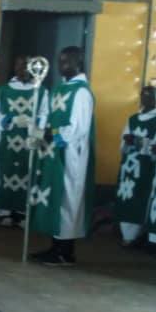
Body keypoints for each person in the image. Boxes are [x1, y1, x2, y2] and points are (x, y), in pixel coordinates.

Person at [28, 47, 95, 266]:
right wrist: (39, 130)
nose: (61, 66)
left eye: (66, 62)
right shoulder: (58, 89)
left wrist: (53, 135)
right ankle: (55, 246)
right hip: (52, 151)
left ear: (79, 63)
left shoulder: (82, 92)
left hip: (70, 155)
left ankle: (65, 252)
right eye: (60, 61)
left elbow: (78, 127)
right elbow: (47, 115)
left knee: (67, 199)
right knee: (55, 198)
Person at [0, 56, 49, 227]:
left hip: (29, 140)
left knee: (28, 172)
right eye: (20, 66)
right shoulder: (3, 91)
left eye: (28, 66)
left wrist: (33, 121)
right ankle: (5, 212)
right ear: (14, 68)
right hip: (7, 141)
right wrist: (9, 120)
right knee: (4, 172)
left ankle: (24, 213)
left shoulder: (41, 91)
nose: (24, 70)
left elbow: (45, 113)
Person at [114, 86, 156, 248]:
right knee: (126, 198)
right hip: (128, 166)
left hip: (146, 167)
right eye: (144, 95)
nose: (146, 98)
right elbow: (123, 142)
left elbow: (155, 148)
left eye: (150, 96)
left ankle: (137, 235)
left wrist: (139, 142)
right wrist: (126, 141)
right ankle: (127, 235)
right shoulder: (132, 118)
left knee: (140, 198)